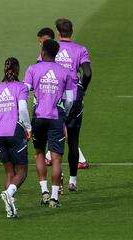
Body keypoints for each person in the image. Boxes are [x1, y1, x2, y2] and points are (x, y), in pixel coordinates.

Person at [23, 40, 73, 208]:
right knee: (56, 159)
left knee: (39, 153)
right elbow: (71, 100)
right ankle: (54, 198)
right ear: (56, 54)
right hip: (56, 118)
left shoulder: (32, 69)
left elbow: (24, 91)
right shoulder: (65, 72)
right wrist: (63, 115)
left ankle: (43, 191)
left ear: (43, 53)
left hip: (38, 117)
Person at [0, 57, 31, 218]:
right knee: (22, 171)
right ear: (18, 70)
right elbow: (23, 109)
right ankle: (9, 193)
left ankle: (10, 208)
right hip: (15, 132)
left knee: (9, 173)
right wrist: (28, 127)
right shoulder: (21, 88)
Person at [54, 18, 92, 191]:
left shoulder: (50, 48)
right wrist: (81, 89)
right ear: (72, 31)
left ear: (58, 32)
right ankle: (73, 181)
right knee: (74, 141)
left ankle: (57, 179)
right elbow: (87, 73)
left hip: (54, 98)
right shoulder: (80, 50)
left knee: (56, 140)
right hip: (74, 97)